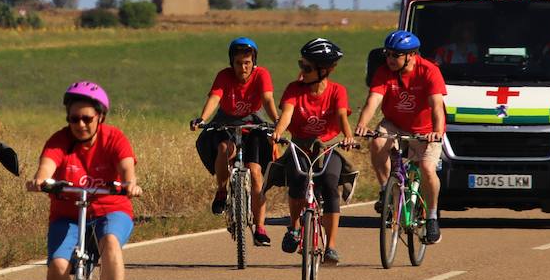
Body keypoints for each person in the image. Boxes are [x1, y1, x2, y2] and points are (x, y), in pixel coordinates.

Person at [26, 81, 143, 280]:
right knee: (57, 266)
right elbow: (46, 167)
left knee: (110, 243)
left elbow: (127, 168)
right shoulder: (59, 141)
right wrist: (41, 180)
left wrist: (129, 184)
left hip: (110, 209)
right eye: (74, 118)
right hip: (68, 215)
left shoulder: (114, 138)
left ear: (100, 117)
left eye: (87, 118)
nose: (80, 125)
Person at [355, 30, 447, 245]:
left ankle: (432, 217)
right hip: (395, 124)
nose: (390, 60)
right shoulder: (384, 71)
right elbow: (373, 101)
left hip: (426, 129)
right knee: (377, 142)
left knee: (426, 168)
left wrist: (436, 131)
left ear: (411, 55)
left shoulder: (429, 71)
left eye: (395, 55)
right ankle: (386, 192)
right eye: (388, 54)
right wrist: (361, 125)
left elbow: (437, 107)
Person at [189, 36, 279, 247]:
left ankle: (260, 228)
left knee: (256, 173)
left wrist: (277, 121)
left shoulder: (261, 74)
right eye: (238, 63)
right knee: (223, 148)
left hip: (253, 124)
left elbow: (267, 99)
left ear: (253, 62)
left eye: (247, 62)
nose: (243, 68)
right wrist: (202, 118)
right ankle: (222, 190)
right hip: (225, 122)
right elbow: (215, 98)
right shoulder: (224, 76)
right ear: (232, 63)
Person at [271, 38, 354, 263]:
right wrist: (278, 132)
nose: (302, 71)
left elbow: (341, 116)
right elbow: (287, 114)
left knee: (329, 183)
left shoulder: (337, 91)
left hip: (327, 147)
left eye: (307, 67)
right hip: (300, 145)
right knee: (297, 179)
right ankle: (295, 227)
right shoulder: (293, 89)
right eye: (301, 65)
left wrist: (347, 136)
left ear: (324, 70)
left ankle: (331, 246)